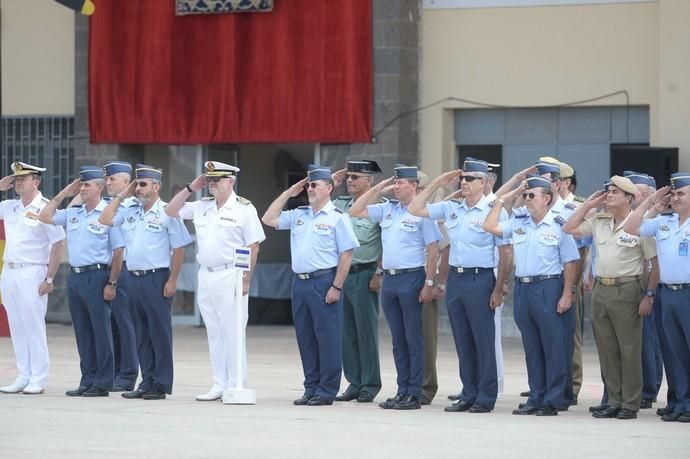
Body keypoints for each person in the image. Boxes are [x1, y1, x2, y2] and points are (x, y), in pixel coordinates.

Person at [408, 158, 511, 413]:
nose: (464, 182)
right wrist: (438, 183)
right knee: (463, 340)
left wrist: (498, 288)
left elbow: (506, 253)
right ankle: (468, 392)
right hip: (456, 278)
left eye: (470, 179)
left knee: (483, 340)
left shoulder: (494, 209)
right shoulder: (453, 207)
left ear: (485, 182)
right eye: (462, 178)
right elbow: (415, 208)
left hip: (481, 278)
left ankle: (485, 397)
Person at [166, 161, 265, 402]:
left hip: (230, 273)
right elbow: (170, 210)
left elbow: (253, 246)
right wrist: (191, 187)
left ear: (230, 181)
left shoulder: (244, 208)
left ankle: (236, 382)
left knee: (232, 331)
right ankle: (219, 382)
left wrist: (245, 280)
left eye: (216, 180)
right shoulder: (203, 206)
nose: (211, 184)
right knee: (214, 332)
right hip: (206, 274)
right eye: (209, 179)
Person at [563, 175, 659, 420]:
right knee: (606, 349)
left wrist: (648, 294)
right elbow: (569, 228)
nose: (609, 195)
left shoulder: (639, 224)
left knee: (629, 348)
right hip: (601, 289)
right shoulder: (599, 220)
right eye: (608, 191)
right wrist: (587, 206)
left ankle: (630, 403)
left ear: (630, 197)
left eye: (615, 192)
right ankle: (613, 400)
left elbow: (653, 263)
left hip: (627, 289)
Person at [262, 165, 358, 406]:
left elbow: (347, 255)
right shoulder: (299, 214)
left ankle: (326, 391)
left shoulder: (337, 217)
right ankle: (311, 387)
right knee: (306, 338)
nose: (310, 188)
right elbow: (268, 218)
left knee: (327, 337)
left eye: (315, 184)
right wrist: (288, 193)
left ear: (329, 188)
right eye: (308, 184)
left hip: (324, 280)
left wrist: (336, 286)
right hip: (300, 283)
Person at [484, 174, 579, 416]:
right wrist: (503, 199)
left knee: (553, 345)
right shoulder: (519, 222)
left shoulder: (559, 225)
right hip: (524, 288)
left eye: (531, 195)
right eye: (525, 195)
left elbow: (570, 262)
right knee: (532, 347)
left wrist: (567, 293)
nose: (526, 200)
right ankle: (536, 396)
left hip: (549, 287)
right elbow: (490, 226)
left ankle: (553, 399)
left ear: (547, 198)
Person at [349, 165, 441, 411]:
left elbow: (433, 251)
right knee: (398, 340)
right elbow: (355, 210)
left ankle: (414, 392)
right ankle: (402, 390)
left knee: (413, 338)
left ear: (414, 186)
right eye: (396, 183)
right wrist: (379, 187)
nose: (397, 186)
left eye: (401, 183)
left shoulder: (423, 213)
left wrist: (429, 283)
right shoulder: (387, 209)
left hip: (412, 277)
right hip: (390, 279)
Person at [100, 164, 192, 400]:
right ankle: (146, 381)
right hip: (133, 277)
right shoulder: (130, 209)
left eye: (142, 184)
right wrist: (123, 195)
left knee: (158, 334)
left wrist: (173, 280)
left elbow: (180, 248)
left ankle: (160, 384)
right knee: (141, 333)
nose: (138, 188)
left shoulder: (167, 212)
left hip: (157, 277)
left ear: (156, 186)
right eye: (136, 184)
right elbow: (105, 218)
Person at [38, 166, 125, 397]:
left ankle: (103, 381)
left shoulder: (108, 214)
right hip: (76, 276)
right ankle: (87, 379)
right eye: (81, 184)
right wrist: (65, 193)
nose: (83, 188)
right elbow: (44, 216)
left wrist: (112, 283)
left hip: (98, 276)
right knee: (83, 332)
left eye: (87, 185)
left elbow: (118, 252)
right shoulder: (74, 212)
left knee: (101, 331)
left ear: (100, 187)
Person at [623, 173, 690, 422]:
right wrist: (650, 203)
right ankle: (680, 402)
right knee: (674, 352)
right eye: (672, 193)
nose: (675, 198)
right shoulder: (664, 222)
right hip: (667, 293)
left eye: (681, 193)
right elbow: (630, 228)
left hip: (688, 293)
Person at [0, 162, 65, 395]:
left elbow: (57, 244)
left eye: (23, 179)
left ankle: (38, 377)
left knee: (33, 326)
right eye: (16, 179)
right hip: (10, 271)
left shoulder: (45, 208)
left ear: (35, 182)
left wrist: (49, 278)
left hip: (33, 270)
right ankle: (23, 374)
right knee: (17, 325)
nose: (18, 183)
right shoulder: (10, 207)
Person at [331, 160, 383, 403]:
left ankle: (370, 384)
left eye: (355, 177)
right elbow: (317, 202)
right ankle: (354, 381)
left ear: (369, 181)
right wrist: (333, 181)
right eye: (348, 177)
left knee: (366, 332)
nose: (350, 181)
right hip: (342, 275)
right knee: (347, 333)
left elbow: (387, 241)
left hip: (365, 273)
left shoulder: (380, 207)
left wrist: (379, 272)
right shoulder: (340, 205)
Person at [624, 170, 664, 409]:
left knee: (649, 341)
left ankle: (649, 389)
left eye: (635, 191)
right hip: (630, 284)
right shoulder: (632, 217)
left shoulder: (654, 218)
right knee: (635, 341)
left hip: (649, 283)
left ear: (648, 194)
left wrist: (649, 290)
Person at [101, 161, 139, 392]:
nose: (107, 182)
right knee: (112, 324)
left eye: (112, 179)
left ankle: (127, 375)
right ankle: (116, 371)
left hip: (125, 270)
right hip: (109, 268)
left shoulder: (132, 206)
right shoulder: (110, 206)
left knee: (126, 325)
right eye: (106, 179)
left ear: (126, 182)